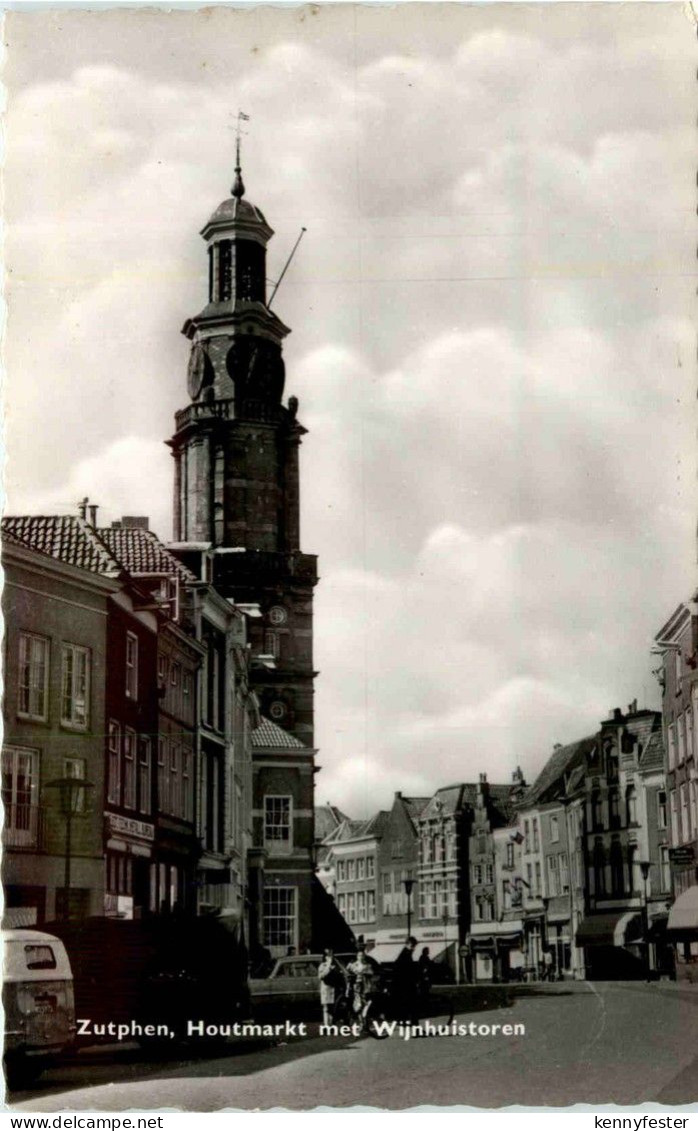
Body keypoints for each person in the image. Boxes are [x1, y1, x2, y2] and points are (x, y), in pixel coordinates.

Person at [346, 942, 378, 1023]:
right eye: (359, 955)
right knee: (358, 1005)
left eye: (362, 955)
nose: (361, 957)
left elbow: (371, 972)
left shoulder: (367, 965)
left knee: (366, 1003)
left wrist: (366, 973)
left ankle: (365, 1021)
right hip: (356, 986)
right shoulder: (353, 964)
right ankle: (362, 1022)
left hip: (366, 986)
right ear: (357, 956)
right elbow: (347, 971)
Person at [392, 936, 418, 1021]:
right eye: (413, 946)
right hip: (405, 984)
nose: (414, 948)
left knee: (408, 1006)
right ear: (409, 944)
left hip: (403, 983)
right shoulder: (406, 954)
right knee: (412, 1004)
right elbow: (408, 969)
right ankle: (415, 1028)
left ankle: (408, 1024)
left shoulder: (405, 953)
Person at [318, 947, 344, 1026]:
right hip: (326, 988)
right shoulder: (322, 965)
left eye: (331, 955)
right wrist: (328, 967)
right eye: (328, 955)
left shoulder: (336, 965)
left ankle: (332, 1023)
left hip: (335, 988)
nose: (330, 957)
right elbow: (321, 976)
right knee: (326, 1008)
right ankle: (326, 1025)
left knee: (334, 1008)